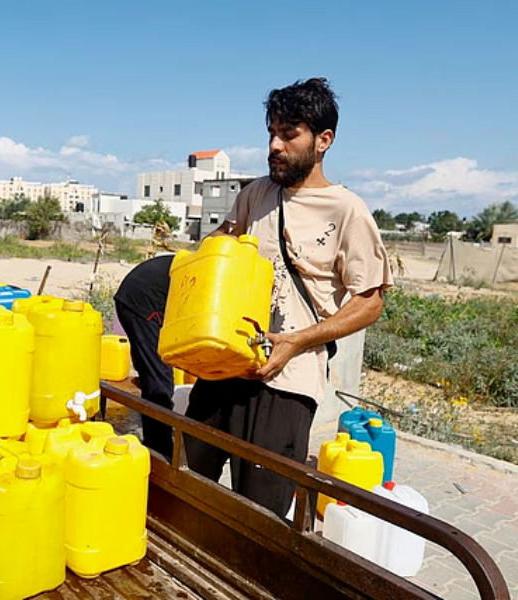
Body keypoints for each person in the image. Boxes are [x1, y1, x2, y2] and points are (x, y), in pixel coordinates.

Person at [184, 78, 393, 519]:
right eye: (271, 133)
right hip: (223, 365)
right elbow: (217, 259)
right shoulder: (255, 195)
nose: (275, 145)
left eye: (289, 133)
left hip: (287, 384)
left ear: (323, 141)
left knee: (261, 513)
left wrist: (297, 340)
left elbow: (370, 301)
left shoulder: (347, 211)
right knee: (187, 485)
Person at [114, 253, 176, 459]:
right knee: (159, 377)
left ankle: (157, 428)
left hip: (135, 293)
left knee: (151, 367)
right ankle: (159, 447)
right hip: (143, 299)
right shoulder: (217, 276)